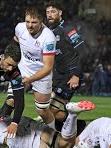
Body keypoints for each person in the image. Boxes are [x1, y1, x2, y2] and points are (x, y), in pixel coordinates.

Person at [0, 7, 57, 129]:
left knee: (42, 111)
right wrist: (8, 59)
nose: (29, 26)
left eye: (34, 22)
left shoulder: (48, 38)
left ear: (41, 21)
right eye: (27, 21)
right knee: (11, 100)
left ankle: (54, 135)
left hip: (41, 74)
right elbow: (14, 43)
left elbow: (48, 67)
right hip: (22, 69)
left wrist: (30, 79)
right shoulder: (20, 28)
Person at [44, 1, 89, 131]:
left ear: (60, 13)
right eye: (47, 12)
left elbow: (84, 52)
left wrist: (76, 75)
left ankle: (79, 129)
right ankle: (72, 132)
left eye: (53, 12)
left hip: (70, 76)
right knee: (48, 111)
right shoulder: (48, 31)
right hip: (57, 77)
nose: (50, 15)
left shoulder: (67, 29)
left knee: (50, 112)